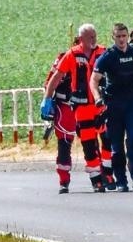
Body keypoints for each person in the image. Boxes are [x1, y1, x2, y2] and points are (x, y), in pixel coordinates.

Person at [41, 24, 106, 193]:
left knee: (101, 139)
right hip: (69, 106)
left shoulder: (102, 53)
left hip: (97, 104)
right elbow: (54, 79)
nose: (92, 40)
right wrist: (47, 99)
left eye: (94, 36)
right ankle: (64, 180)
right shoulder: (68, 56)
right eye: (88, 37)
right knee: (65, 142)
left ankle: (103, 176)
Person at [94, 22, 133, 191]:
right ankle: (121, 180)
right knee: (117, 145)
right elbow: (94, 80)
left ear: (128, 37)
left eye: (124, 36)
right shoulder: (107, 56)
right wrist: (98, 97)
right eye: (118, 37)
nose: (121, 40)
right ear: (113, 37)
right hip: (113, 104)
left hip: (132, 102)